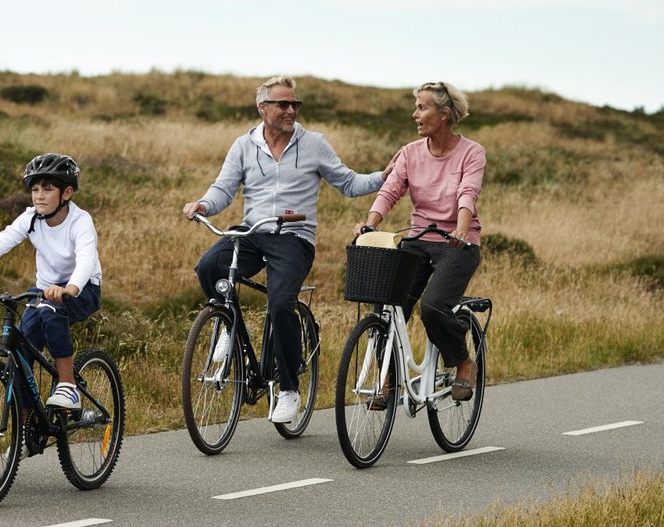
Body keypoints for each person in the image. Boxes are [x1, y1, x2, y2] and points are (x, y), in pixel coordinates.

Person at [183, 74, 389, 424]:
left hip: (294, 238)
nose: (291, 110)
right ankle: (226, 328)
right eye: (283, 104)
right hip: (252, 231)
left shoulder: (314, 144)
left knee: (280, 304)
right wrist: (203, 205)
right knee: (208, 267)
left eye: (295, 104)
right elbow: (224, 188)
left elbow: (350, 183)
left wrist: (388, 174)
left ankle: (289, 389)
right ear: (263, 108)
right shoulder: (244, 145)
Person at [357, 81, 485, 401]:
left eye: (422, 107)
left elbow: (467, 193)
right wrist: (370, 225)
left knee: (433, 307)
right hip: (418, 240)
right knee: (386, 304)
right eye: (416, 107)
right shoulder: (410, 153)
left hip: (458, 243)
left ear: (443, 114)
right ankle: (388, 378)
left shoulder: (471, 152)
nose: (415, 114)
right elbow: (390, 191)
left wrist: (461, 229)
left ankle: (462, 362)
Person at [0, 153, 101, 409]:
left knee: (53, 311)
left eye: (48, 189)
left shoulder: (80, 220)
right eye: (35, 189)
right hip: (43, 292)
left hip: (83, 289)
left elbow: (86, 258)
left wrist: (70, 288)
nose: (39, 195)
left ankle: (68, 385)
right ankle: (28, 427)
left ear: (67, 193)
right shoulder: (30, 219)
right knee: (20, 353)